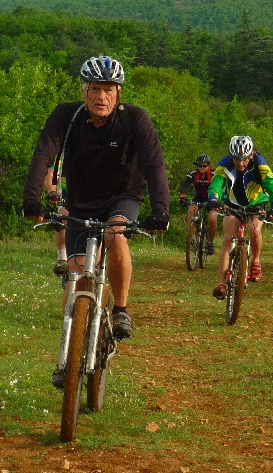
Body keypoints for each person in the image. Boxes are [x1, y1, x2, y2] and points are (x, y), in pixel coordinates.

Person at [22, 56, 170, 388]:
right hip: (81, 200)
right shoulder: (67, 116)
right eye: (94, 89)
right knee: (76, 275)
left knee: (117, 235)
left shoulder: (135, 120)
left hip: (123, 196)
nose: (100, 97)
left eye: (107, 90)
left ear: (118, 94)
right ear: (84, 89)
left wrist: (160, 210)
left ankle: (120, 308)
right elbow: (43, 153)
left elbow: (154, 165)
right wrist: (31, 197)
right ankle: (67, 356)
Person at [208, 135, 273, 299]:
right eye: (236, 159)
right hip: (233, 203)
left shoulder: (260, 164)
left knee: (254, 229)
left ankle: (255, 261)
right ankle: (221, 283)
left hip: (256, 203)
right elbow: (217, 183)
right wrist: (213, 198)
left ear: (251, 155)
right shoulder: (224, 163)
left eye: (244, 159)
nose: (240, 163)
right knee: (228, 239)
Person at [178, 153, 218, 255]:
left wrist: (218, 200)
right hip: (198, 198)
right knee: (191, 210)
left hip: (211, 199)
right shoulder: (193, 174)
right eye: (200, 166)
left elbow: (220, 187)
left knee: (212, 219)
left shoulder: (214, 174)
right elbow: (184, 185)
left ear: (209, 166)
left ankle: (210, 242)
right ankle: (192, 237)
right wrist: (182, 196)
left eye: (204, 166)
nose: (202, 168)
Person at [43, 163, 68, 278]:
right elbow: (51, 173)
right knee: (63, 217)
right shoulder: (63, 152)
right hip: (67, 194)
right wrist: (52, 191)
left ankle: (97, 262)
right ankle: (62, 258)